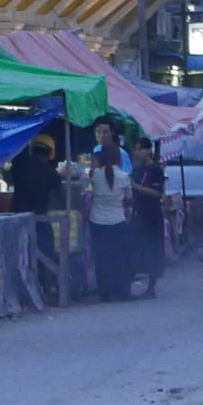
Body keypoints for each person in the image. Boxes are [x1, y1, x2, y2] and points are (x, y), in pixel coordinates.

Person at [86, 119, 135, 301]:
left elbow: (89, 192)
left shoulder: (95, 175)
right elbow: (129, 200)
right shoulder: (123, 177)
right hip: (118, 221)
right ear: (118, 158)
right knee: (120, 258)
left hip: (97, 221)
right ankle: (122, 291)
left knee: (102, 258)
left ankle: (104, 293)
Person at [129, 139, 169, 299]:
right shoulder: (137, 170)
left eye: (140, 149)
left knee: (153, 249)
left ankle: (151, 287)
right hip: (138, 213)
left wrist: (136, 187)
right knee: (136, 248)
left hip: (152, 214)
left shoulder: (155, 170)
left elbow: (157, 193)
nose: (137, 153)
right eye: (136, 150)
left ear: (148, 151)